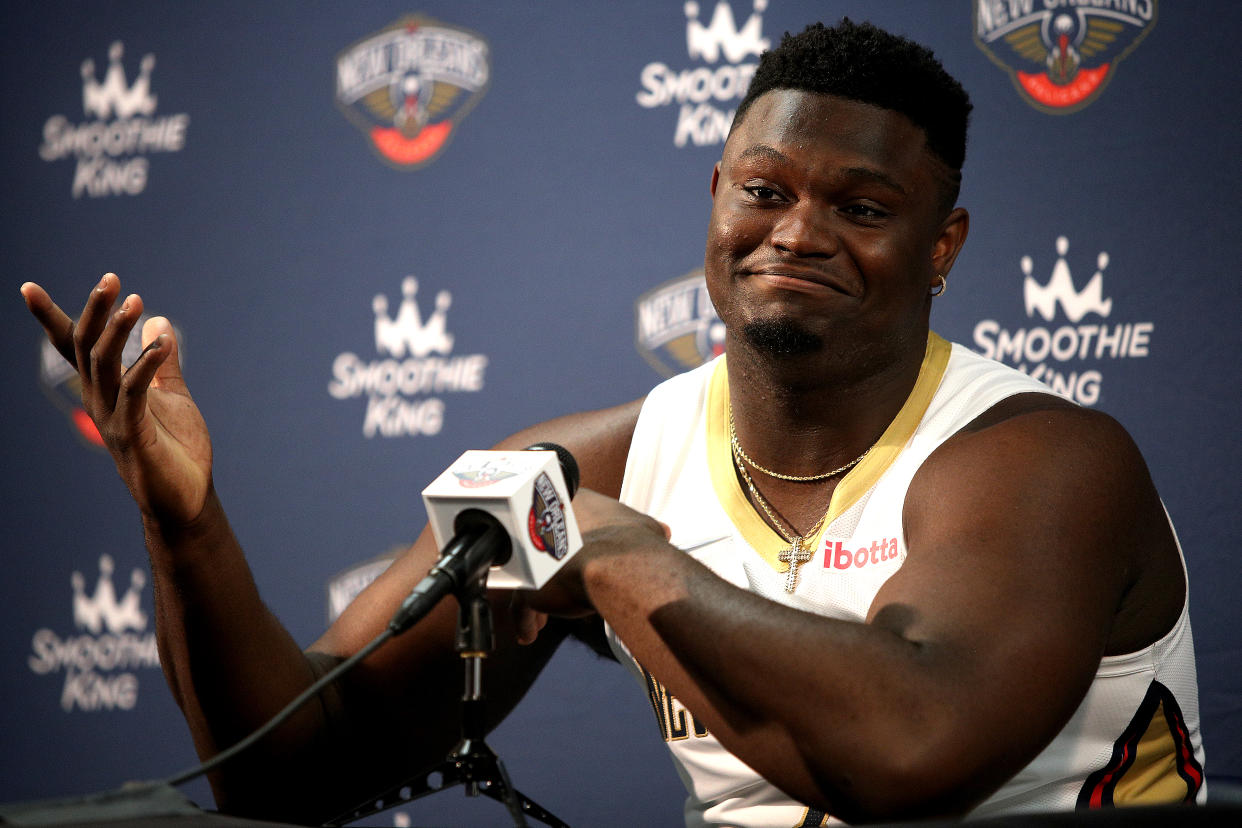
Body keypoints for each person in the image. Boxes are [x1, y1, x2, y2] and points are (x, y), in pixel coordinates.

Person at [21, 19, 1205, 827]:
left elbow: (910, 758)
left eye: (861, 206)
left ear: (941, 248)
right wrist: (187, 527)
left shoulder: (1040, 458)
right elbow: (297, 771)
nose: (796, 233)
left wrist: (629, 559)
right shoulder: (606, 464)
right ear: (716, 198)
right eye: (765, 190)